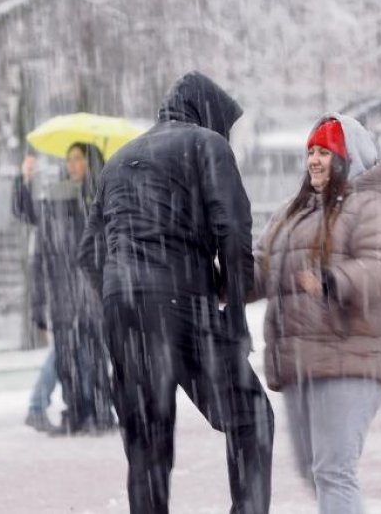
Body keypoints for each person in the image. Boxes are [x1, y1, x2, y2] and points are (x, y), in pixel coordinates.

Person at [77, 71, 274, 514]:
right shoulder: (207, 144)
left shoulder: (118, 159)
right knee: (251, 417)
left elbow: (88, 253)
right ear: (209, 114)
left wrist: (122, 292)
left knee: (148, 443)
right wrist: (234, 318)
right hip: (181, 303)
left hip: (124, 312)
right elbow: (233, 232)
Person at [251, 114, 381, 513]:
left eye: (325, 152)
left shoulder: (372, 205)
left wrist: (333, 280)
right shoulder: (294, 210)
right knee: (315, 470)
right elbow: (261, 268)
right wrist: (217, 280)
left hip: (352, 355)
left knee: (334, 469)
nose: (314, 161)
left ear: (347, 157)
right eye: (311, 152)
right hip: (302, 360)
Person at [13, 145, 113, 435]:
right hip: (67, 294)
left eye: (78, 159)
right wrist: (23, 181)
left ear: (90, 163)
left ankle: (88, 413)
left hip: (90, 293)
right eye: (69, 160)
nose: (72, 165)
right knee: (67, 355)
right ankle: (54, 408)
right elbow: (26, 212)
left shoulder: (100, 198)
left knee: (85, 355)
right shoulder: (59, 198)